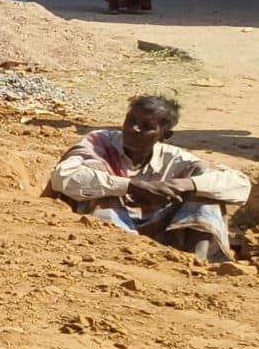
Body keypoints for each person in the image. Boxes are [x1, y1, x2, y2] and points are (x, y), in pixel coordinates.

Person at [48, 95, 248, 264]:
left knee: (206, 193)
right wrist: (131, 186)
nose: (134, 129)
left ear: (164, 135)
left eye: (146, 126)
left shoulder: (175, 158)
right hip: (108, 235)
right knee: (99, 185)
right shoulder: (100, 142)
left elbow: (240, 185)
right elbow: (62, 177)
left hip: (163, 234)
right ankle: (114, 261)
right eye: (131, 120)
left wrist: (185, 184)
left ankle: (196, 264)